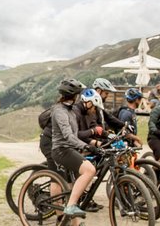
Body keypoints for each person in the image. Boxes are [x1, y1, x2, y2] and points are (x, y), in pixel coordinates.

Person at [49, 79, 98, 222]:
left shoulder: (70, 110)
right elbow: (68, 136)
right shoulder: (59, 111)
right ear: (74, 96)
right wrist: (85, 146)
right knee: (90, 170)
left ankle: (72, 221)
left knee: (72, 191)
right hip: (61, 150)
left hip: (69, 149)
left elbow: (75, 135)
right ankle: (70, 207)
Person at [73, 88, 125, 212]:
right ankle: (75, 201)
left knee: (93, 167)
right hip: (73, 145)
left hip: (85, 143)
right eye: (94, 107)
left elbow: (94, 128)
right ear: (88, 102)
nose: (94, 111)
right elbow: (75, 135)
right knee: (87, 171)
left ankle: (84, 197)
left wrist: (107, 135)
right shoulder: (75, 112)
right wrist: (94, 136)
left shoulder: (89, 112)